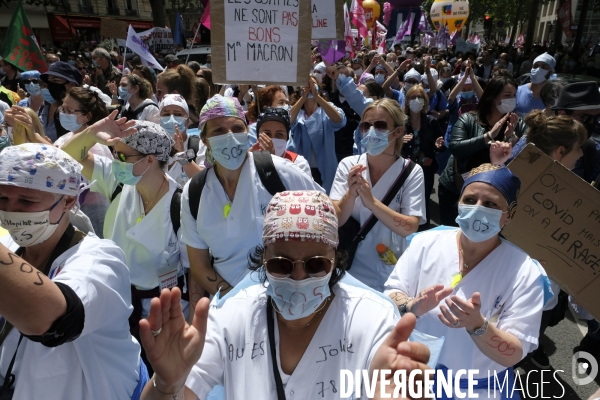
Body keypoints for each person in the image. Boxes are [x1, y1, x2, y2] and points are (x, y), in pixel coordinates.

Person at [138, 190, 430, 400]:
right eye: (282, 265)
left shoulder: (373, 319)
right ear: (264, 259)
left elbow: (392, 381)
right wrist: (166, 385)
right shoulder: (230, 315)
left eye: (316, 264)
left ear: (336, 258)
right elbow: (184, 393)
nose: (299, 277)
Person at [385, 164, 546, 398]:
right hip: (415, 377)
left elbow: (513, 353)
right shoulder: (426, 244)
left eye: (490, 204)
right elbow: (391, 293)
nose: (478, 209)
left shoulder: (524, 271)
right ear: (459, 203)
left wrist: (477, 325)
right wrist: (411, 306)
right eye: (470, 200)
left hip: (477, 390)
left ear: (508, 215)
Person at [0, 143, 147, 399]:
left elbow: (50, 318)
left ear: (68, 199)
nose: (12, 210)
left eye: (27, 200)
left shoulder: (101, 259)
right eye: (2, 199)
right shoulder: (10, 246)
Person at [60, 116, 192, 367]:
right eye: (114, 154)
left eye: (122, 157)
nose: (115, 162)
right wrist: (91, 132)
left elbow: (192, 270)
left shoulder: (180, 205)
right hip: (114, 305)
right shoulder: (120, 183)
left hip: (162, 315)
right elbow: (65, 159)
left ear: (150, 160)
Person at [180, 95, 323, 301]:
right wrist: (236, 301)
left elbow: (327, 214)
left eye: (237, 129)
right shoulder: (194, 192)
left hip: (286, 300)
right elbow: (200, 265)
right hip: (227, 307)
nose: (230, 136)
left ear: (248, 132)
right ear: (205, 140)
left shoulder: (278, 171)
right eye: (219, 131)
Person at [331, 98, 425, 291]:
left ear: (398, 131)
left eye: (381, 125)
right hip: (348, 266)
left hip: (389, 269)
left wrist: (372, 203)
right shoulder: (348, 165)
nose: (372, 131)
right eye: (366, 126)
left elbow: (410, 227)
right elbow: (334, 220)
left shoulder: (411, 172)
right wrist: (350, 194)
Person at [438, 75, 526, 226]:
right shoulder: (469, 119)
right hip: (456, 189)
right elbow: (456, 147)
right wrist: (488, 136)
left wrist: (512, 138)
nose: (511, 99)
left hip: (491, 195)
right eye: (507, 95)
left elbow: (527, 148)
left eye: (513, 95)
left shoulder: (516, 124)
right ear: (492, 97)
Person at [52, 87, 113, 237]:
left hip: (90, 211)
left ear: (86, 116)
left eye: (69, 111)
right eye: (62, 108)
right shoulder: (65, 138)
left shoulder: (96, 146)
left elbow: (91, 182)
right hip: (68, 210)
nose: (63, 113)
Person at [289, 75, 346, 192]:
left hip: (325, 169)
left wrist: (317, 97)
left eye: (312, 84)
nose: (309, 88)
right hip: (302, 169)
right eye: (306, 85)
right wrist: (303, 97)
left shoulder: (326, 110)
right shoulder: (297, 112)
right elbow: (286, 121)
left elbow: (339, 120)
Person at [402, 86, 444, 228]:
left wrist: (437, 145)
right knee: (404, 199)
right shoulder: (401, 121)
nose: (416, 100)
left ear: (425, 101)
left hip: (425, 169)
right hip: (404, 169)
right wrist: (399, 141)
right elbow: (391, 143)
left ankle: (422, 230)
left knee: (423, 201)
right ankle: (405, 228)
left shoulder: (431, 121)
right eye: (413, 97)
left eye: (420, 97)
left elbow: (440, 145)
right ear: (407, 101)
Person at [159, 94, 204, 185]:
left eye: (177, 114)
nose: (171, 119)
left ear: (187, 121)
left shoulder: (199, 145)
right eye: (166, 114)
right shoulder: (154, 147)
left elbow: (203, 182)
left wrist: (182, 156)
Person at [253, 107, 311, 175]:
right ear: (257, 136)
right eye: (267, 134)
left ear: (287, 138)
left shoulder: (299, 164)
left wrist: (272, 161)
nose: (271, 140)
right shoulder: (250, 162)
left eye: (279, 134)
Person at [39, 61, 83, 142]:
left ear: (72, 85)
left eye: (55, 81)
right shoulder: (44, 107)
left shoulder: (77, 114)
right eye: (49, 80)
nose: (50, 85)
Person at [514, 53, 556, 118]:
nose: (538, 69)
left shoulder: (554, 96)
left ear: (550, 72)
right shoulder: (517, 91)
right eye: (535, 66)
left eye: (544, 67)